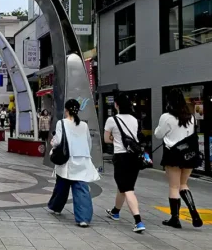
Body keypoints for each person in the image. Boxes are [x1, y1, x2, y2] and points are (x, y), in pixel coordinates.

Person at [46, 99, 100, 227]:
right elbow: (88, 142)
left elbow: (58, 141)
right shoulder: (84, 125)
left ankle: (55, 207)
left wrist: (52, 142)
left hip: (67, 160)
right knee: (81, 189)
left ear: (66, 110)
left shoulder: (62, 123)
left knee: (62, 185)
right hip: (82, 159)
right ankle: (83, 218)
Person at [156, 88, 203, 229]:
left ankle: (175, 218)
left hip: (173, 154)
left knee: (174, 186)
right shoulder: (191, 117)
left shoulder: (167, 117)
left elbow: (158, 134)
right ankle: (194, 212)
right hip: (189, 154)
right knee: (184, 184)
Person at [103, 93, 146, 233]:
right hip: (134, 157)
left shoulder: (111, 120)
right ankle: (115, 211)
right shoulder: (134, 119)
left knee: (127, 189)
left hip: (121, 157)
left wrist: (114, 138)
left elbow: (107, 140)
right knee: (124, 186)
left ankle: (138, 221)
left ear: (117, 105)